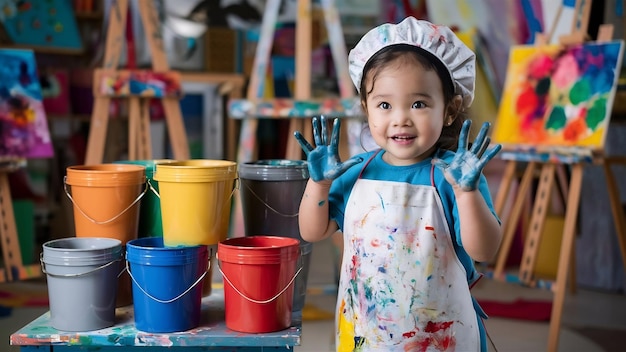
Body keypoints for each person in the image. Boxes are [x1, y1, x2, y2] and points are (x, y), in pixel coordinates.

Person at [294, 17, 502, 351]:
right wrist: (318, 186)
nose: (400, 118)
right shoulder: (355, 171)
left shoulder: (456, 176)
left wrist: (467, 194)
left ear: (450, 109)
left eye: (418, 104)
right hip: (368, 331)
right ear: (366, 109)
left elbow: (485, 251)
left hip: (441, 335)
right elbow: (311, 231)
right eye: (385, 105)